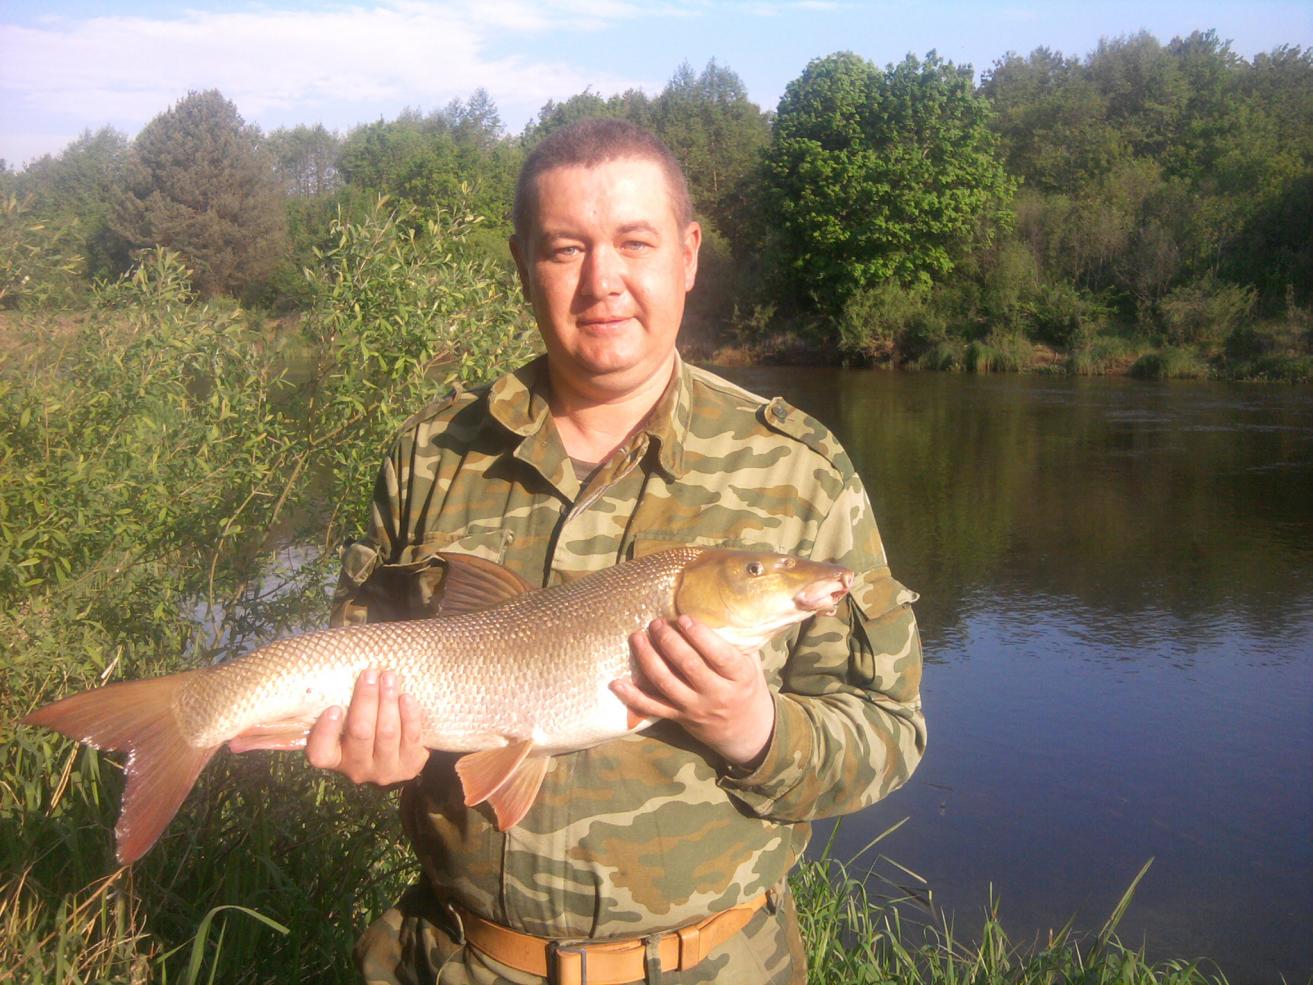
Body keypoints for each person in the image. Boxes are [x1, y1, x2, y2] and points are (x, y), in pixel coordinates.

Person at [307, 118, 926, 985]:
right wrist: (371, 751)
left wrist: (755, 731)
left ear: (687, 254)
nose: (602, 280)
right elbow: (354, 667)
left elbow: (888, 730)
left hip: (716, 966)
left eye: (635, 242)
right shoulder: (431, 453)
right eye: (566, 249)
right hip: (457, 961)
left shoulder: (800, 470)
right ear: (521, 263)